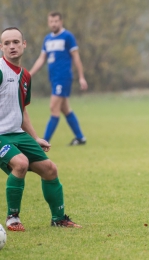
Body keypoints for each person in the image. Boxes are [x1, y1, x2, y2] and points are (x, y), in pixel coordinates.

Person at [0, 27, 81, 231]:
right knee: (21, 163)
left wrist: (35, 137)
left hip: (17, 134)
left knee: (50, 169)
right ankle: (12, 218)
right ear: (1, 47)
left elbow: (22, 111)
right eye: (7, 43)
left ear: (24, 44)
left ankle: (58, 218)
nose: (12, 46)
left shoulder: (25, 76)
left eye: (16, 42)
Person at [29, 11, 88, 146]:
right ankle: (80, 138)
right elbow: (41, 59)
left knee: (53, 107)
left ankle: (44, 141)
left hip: (63, 78)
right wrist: (29, 74)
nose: (54, 24)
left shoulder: (68, 36)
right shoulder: (47, 39)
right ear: (48, 23)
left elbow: (76, 57)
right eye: (51, 21)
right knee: (65, 109)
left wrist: (81, 77)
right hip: (54, 79)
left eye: (56, 21)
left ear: (61, 22)